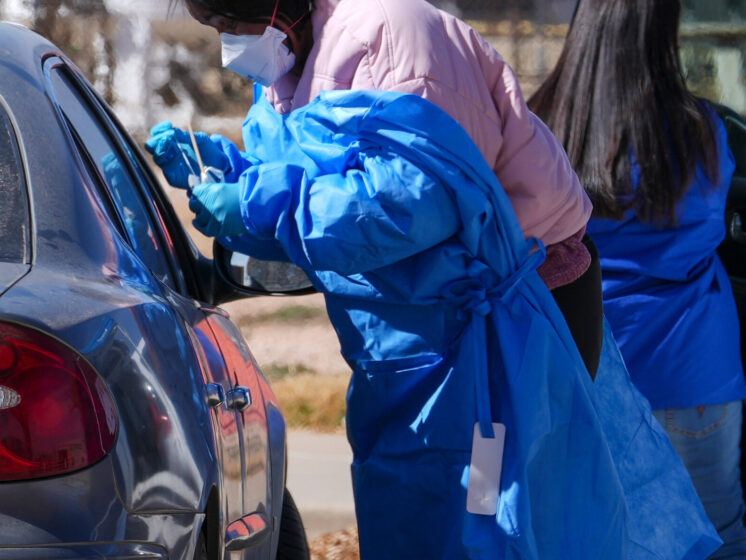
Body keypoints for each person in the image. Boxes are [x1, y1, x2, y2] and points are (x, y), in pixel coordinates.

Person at [147, 0, 720, 557]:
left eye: (227, 21)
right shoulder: (294, 60)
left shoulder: (392, 33)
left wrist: (257, 204)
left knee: (496, 517)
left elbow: (416, 201)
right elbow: (309, 190)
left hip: (505, 326)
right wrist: (227, 168)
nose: (226, 42)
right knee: (425, 511)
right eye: (212, 25)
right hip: (416, 336)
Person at [528, 0, 746, 557]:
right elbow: (710, 227)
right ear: (663, 36)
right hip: (692, 372)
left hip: (579, 370)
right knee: (715, 536)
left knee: (593, 538)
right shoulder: (702, 132)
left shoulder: (538, 128)